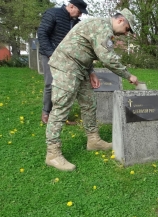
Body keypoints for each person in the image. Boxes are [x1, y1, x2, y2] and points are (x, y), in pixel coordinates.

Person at [45, 9, 139, 171]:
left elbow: (86, 49)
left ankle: (93, 140)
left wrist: (91, 72)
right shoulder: (102, 27)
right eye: (127, 29)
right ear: (121, 20)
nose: (126, 33)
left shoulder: (101, 27)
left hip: (81, 67)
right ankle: (53, 153)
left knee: (89, 103)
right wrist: (128, 75)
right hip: (66, 65)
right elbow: (108, 58)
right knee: (61, 106)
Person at [37, 0, 89, 124]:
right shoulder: (53, 13)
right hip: (50, 55)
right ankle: (46, 112)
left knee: (65, 86)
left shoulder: (77, 23)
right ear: (71, 6)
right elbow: (42, 33)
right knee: (50, 84)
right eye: (79, 11)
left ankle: (61, 115)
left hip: (67, 58)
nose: (80, 15)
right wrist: (51, 54)